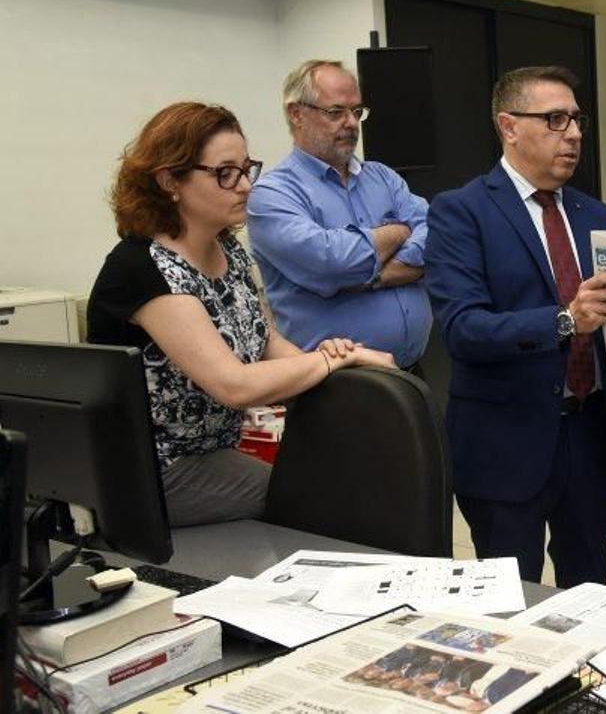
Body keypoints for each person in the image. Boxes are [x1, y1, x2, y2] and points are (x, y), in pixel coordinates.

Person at [87, 103, 396, 527]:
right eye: (225, 173)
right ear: (169, 180)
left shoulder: (227, 250)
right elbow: (233, 385)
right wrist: (329, 361)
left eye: (247, 169)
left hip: (212, 455)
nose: (246, 186)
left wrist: (339, 355)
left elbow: (266, 342)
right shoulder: (143, 269)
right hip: (155, 471)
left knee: (344, 474)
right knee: (324, 493)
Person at [424, 66, 606, 586]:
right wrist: (566, 319)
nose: (575, 134)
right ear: (509, 126)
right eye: (556, 119)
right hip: (505, 443)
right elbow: (463, 329)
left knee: (589, 592)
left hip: (589, 435)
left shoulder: (597, 214)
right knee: (510, 605)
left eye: (576, 120)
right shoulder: (461, 212)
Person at [246, 60, 431, 370]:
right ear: (296, 114)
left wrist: (376, 277)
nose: (351, 123)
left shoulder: (383, 177)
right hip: (337, 384)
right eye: (336, 112)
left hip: (412, 371)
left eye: (356, 112)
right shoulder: (272, 195)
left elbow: (438, 236)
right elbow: (331, 264)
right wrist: (399, 232)